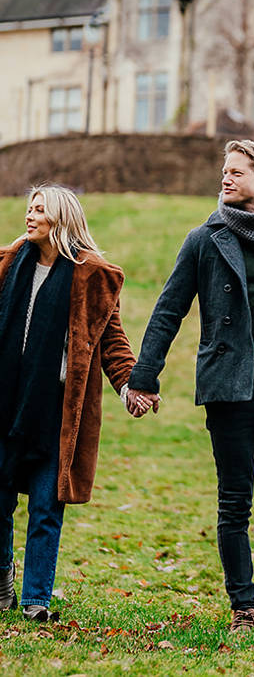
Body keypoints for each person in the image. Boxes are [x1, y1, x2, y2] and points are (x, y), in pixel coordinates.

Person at [128, 140, 254, 633]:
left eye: (236, 172)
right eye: (224, 171)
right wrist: (144, 376)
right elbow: (168, 310)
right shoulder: (206, 239)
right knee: (235, 502)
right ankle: (243, 605)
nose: (225, 178)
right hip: (230, 390)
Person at [0, 184, 157, 622]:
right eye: (29, 209)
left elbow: (112, 342)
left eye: (39, 210)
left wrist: (131, 386)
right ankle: (2, 581)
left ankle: (36, 600)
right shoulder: (9, 264)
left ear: (61, 218)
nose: (30, 216)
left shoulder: (91, 277)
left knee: (46, 504)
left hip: (56, 410)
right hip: (5, 400)